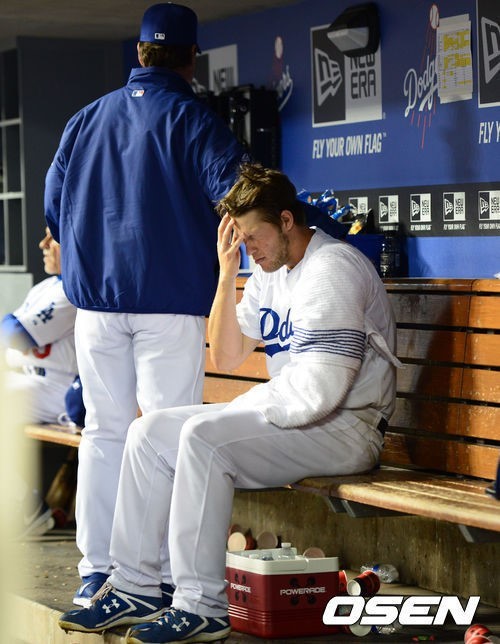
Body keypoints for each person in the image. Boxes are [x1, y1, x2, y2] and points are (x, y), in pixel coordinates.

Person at [44, 3, 345, 608]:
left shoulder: (85, 119)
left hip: (96, 304)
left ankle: (97, 572)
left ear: (140, 54)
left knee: (104, 432)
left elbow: (54, 202)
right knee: (162, 435)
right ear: (191, 60)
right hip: (169, 302)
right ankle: (152, 574)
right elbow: (243, 197)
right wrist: (322, 225)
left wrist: (89, 253)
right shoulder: (192, 118)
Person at [58, 163, 399, 643]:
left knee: (203, 439)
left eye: (253, 236)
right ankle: (135, 586)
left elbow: (320, 394)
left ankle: (201, 605)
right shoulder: (269, 269)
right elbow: (227, 354)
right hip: (300, 417)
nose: (249, 249)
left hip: (347, 428)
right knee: (148, 432)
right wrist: (225, 273)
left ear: (286, 220)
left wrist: (240, 413)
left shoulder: (332, 269)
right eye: (242, 239)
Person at [1, 227, 80, 536]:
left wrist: (12, 330)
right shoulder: (46, 286)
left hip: (58, 389)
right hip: (29, 380)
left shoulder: (71, 290)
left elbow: (14, 334)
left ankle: (27, 508)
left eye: (52, 237)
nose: (43, 244)